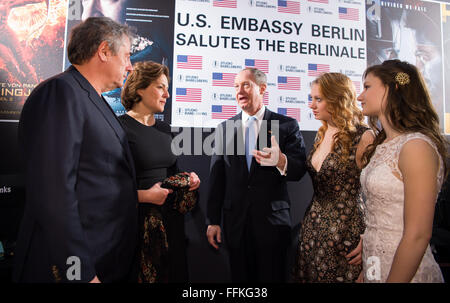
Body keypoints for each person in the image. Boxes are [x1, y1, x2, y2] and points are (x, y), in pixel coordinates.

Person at [13, 17, 140, 283]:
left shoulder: (90, 98)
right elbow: (54, 193)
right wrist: (79, 272)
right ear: (104, 51)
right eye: (127, 56)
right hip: (70, 269)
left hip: (103, 259)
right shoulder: (61, 93)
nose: (130, 66)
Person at [206, 68, 307, 282]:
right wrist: (212, 220)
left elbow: (299, 170)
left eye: (246, 85)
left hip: (273, 225)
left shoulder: (286, 125)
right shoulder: (225, 128)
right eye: (236, 86)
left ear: (262, 89)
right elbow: (217, 178)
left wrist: (281, 160)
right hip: (236, 225)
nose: (239, 91)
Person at [358, 59, 448, 282]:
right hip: (376, 266)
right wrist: (366, 273)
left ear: (393, 87)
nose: (360, 96)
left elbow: (418, 235)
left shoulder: (416, 146)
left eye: (367, 87)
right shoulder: (381, 145)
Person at [119, 61, 200, 283]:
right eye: (160, 87)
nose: (167, 94)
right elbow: (108, 187)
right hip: (136, 227)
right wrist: (144, 196)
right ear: (139, 89)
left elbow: (173, 171)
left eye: (168, 88)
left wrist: (190, 180)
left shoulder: (166, 130)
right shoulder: (119, 129)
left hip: (171, 226)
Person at [292, 73, 374, 283]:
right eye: (311, 99)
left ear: (338, 99)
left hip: (348, 235)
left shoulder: (363, 136)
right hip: (313, 233)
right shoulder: (322, 134)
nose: (312, 105)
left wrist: (371, 237)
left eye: (318, 99)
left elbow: (378, 193)